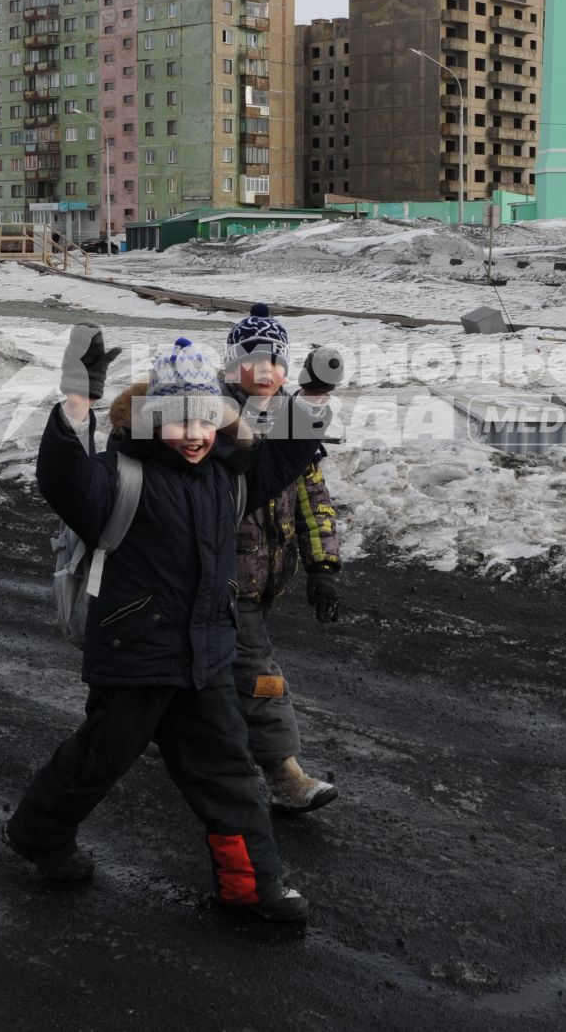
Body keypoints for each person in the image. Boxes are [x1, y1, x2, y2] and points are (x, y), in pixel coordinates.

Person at [5, 325, 329, 923]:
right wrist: (79, 401)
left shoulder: (226, 477)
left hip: (206, 658)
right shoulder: (120, 476)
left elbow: (283, 458)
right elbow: (63, 480)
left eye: (207, 420)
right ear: (152, 420)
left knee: (228, 773)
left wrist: (312, 398)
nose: (195, 435)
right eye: (179, 421)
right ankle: (37, 833)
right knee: (100, 759)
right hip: (136, 655)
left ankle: (250, 892)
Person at [222, 305, 345, 813]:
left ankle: (172, 730)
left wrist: (324, 566)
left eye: (275, 359)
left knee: (208, 670)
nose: (265, 370)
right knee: (260, 673)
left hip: (264, 578)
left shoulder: (294, 417)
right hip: (224, 582)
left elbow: (314, 500)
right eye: (252, 359)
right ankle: (284, 774)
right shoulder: (215, 421)